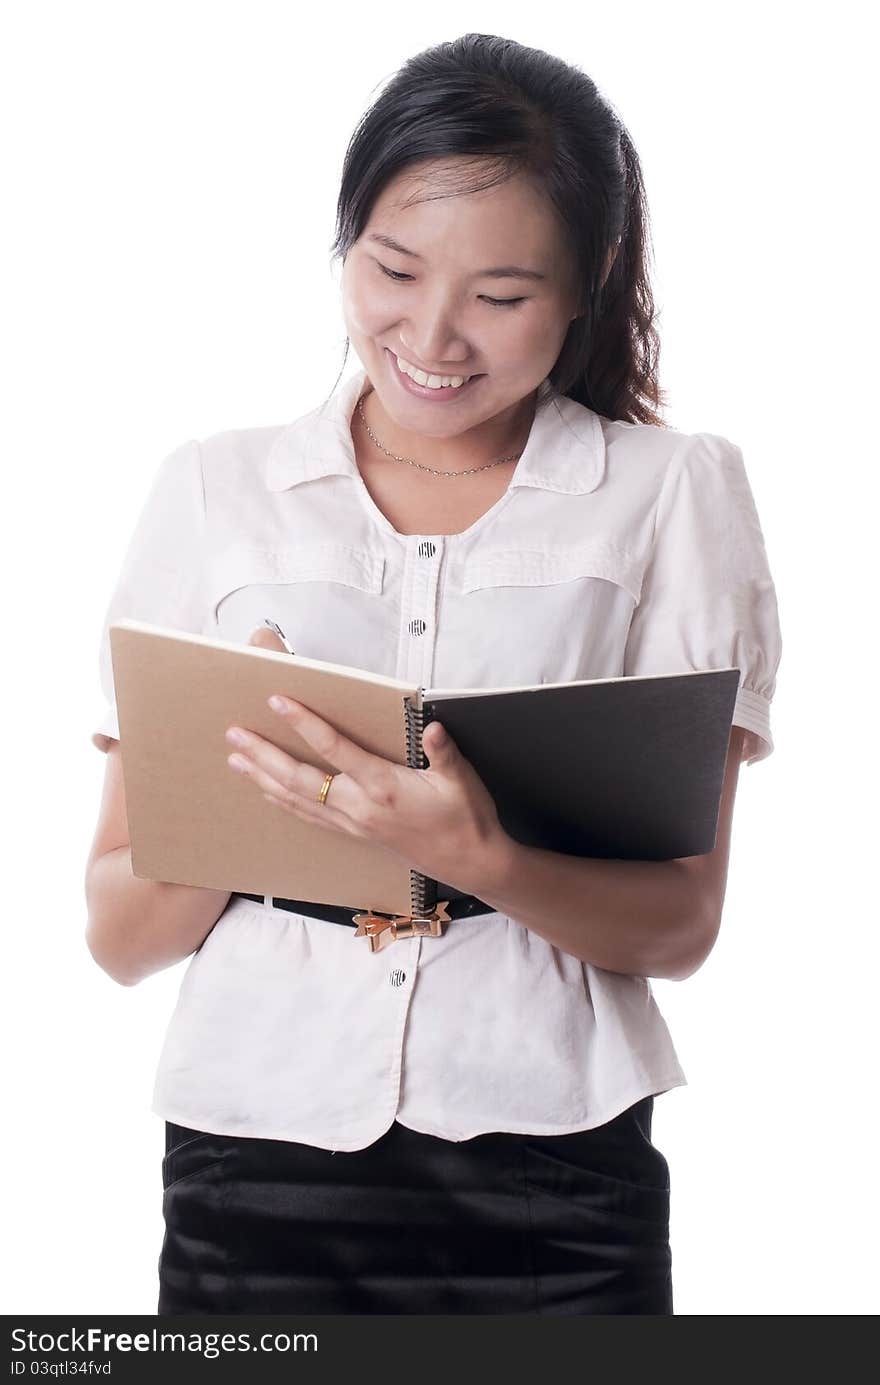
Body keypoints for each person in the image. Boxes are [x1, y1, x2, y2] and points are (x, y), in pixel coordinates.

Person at [84, 32, 782, 1316]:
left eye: (501, 296)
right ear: (344, 240)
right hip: (253, 1165)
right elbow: (118, 936)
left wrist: (478, 856)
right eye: (392, 269)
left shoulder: (672, 495)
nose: (434, 337)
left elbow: (679, 924)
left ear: (588, 282)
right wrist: (265, 801)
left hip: (554, 1165)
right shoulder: (214, 490)